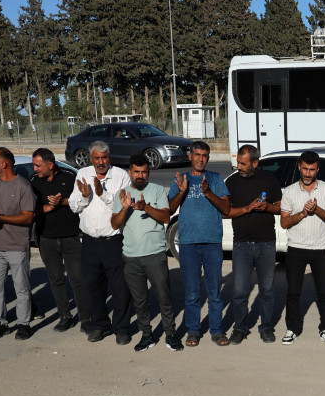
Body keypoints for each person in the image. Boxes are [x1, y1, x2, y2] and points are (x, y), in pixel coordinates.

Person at [113, 155, 179, 352]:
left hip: (155, 255)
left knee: (164, 297)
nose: (140, 176)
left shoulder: (158, 191)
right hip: (131, 257)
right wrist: (125, 209)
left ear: (148, 173)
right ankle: (147, 336)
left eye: (144, 172)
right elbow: (115, 224)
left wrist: (146, 207)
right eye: (136, 172)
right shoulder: (122, 193)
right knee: (140, 300)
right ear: (130, 173)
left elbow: (166, 217)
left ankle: (171, 334)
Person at [168, 140, 231, 347]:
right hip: (188, 244)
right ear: (190, 156)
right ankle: (193, 330)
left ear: (208, 158)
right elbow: (169, 209)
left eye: (204, 155)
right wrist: (181, 191)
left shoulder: (215, 178)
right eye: (197, 155)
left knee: (214, 292)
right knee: (192, 292)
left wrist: (208, 192)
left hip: (212, 242)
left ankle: (217, 330)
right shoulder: (180, 179)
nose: (200, 159)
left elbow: (226, 209)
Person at [70, 141, 132, 344]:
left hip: (113, 241)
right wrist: (85, 197)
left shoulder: (121, 175)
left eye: (104, 157)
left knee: (120, 287)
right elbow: (73, 206)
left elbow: (121, 205)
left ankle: (122, 328)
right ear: (91, 158)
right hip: (89, 242)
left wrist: (101, 193)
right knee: (91, 286)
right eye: (97, 158)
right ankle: (100, 325)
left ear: (109, 157)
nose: (101, 162)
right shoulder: (83, 174)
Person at [223, 144, 282, 344]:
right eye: (238, 162)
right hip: (242, 245)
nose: (238, 166)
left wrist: (268, 207)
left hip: (266, 243)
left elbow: (281, 207)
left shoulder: (269, 180)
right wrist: (247, 209)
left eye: (243, 163)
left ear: (255, 163)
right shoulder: (231, 182)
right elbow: (226, 212)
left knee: (267, 289)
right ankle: (240, 328)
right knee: (240, 291)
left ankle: (266, 327)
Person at [0, 148, 38, 340]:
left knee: (21, 287)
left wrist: (1, 218)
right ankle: (0, 322)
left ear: (4, 164)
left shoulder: (23, 186)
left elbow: (28, 218)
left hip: (17, 247)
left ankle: (23, 324)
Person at [279, 151, 325, 345]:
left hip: (320, 248)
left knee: (323, 292)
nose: (307, 173)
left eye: (312, 169)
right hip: (296, 248)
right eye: (304, 168)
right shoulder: (289, 191)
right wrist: (303, 213)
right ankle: (291, 329)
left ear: (317, 169)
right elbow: (284, 223)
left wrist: (317, 209)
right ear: (299, 167)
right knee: (293, 292)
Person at [30, 148, 86, 332]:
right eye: (34, 165)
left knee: (78, 279)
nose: (35, 168)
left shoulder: (70, 177)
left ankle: (86, 318)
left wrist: (63, 201)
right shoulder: (33, 182)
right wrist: (44, 207)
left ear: (50, 165)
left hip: (71, 237)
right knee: (56, 279)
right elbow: (27, 208)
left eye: (38, 165)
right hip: (46, 238)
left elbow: (81, 201)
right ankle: (65, 316)